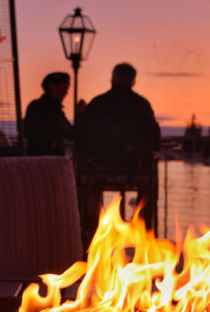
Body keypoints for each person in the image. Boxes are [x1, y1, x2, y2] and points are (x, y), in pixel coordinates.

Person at [75, 63, 160, 245]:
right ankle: (145, 233)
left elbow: (82, 135)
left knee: (89, 192)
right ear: (133, 81)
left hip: (98, 166)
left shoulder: (98, 104)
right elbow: (153, 135)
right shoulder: (141, 105)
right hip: (134, 167)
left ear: (113, 78)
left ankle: (90, 234)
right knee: (148, 189)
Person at [23, 72, 73, 156]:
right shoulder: (37, 107)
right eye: (62, 87)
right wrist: (50, 143)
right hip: (41, 160)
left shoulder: (58, 111)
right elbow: (31, 132)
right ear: (51, 86)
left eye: (66, 88)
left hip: (55, 160)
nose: (65, 92)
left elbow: (71, 134)